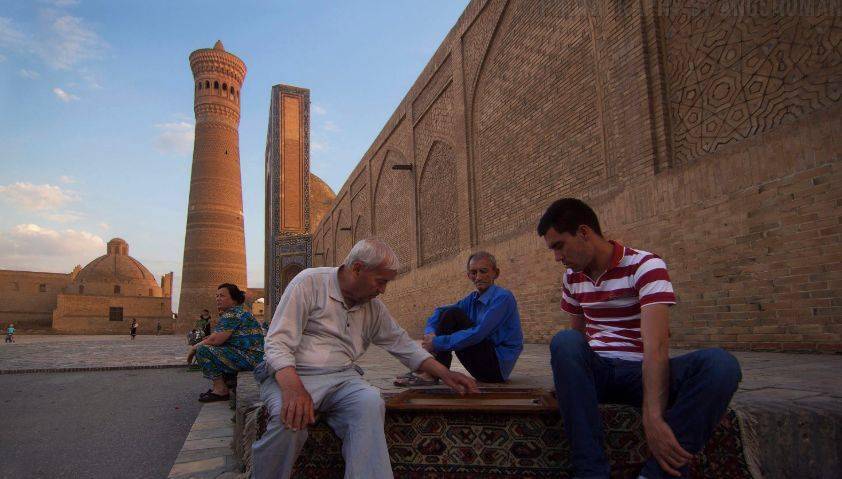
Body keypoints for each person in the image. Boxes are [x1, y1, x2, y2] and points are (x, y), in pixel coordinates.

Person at [538, 198, 742, 479]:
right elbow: (578, 339)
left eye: (558, 246)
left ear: (584, 233)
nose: (557, 258)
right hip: (599, 373)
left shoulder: (645, 265)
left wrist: (653, 415)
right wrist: (565, 384)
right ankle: (591, 472)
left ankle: (657, 473)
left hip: (640, 372)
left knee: (721, 366)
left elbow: (656, 346)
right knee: (564, 342)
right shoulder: (572, 278)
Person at [252, 238, 479, 479]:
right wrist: (293, 390)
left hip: (343, 378)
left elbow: (402, 344)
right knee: (289, 420)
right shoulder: (309, 283)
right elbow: (277, 343)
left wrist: (446, 373)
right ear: (358, 268)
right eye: (381, 281)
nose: (383, 290)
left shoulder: (373, 308)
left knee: (370, 403)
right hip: (294, 375)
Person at [394, 251, 523, 386]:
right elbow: (440, 311)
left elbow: (479, 334)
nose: (478, 277)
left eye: (483, 271)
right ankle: (433, 371)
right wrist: (430, 333)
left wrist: (437, 342)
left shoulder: (503, 298)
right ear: (469, 276)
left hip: (495, 368)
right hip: (480, 362)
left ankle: (432, 373)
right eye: (473, 273)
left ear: (495, 273)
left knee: (453, 315)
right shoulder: (472, 299)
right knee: (449, 313)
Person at [187, 283, 264, 402]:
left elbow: (215, 340)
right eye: (217, 296)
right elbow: (217, 336)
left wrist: (194, 348)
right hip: (252, 357)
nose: (218, 299)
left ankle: (220, 390)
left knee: (203, 350)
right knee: (211, 346)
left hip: (249, 359)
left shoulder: (233, 314)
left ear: (234, 299)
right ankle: (226, 383)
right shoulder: (237, 312)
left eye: (222, 296)